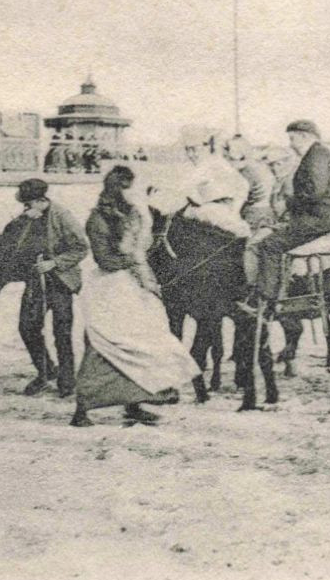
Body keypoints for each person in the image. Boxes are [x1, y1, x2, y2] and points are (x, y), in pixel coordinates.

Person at [70, 166, 201, 428]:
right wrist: (133, 260)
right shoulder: (98, 219)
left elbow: (144, 247)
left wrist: (142, 267)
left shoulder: (134, 215)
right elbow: (104, 260)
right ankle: (82, 409)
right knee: (107, 344)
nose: (137, 193)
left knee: (144, 341)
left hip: (132, 284)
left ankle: (135, 403)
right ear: (120, 189)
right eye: (132, 188)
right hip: (110, 288)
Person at [248, 120, 330, 298]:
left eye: (292, 139)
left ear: (304, 137)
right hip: (326, 215)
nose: (291, 144)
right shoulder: (318, 154)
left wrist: (287, 204)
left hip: (323, 219)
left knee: (270, 244)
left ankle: (267, 298)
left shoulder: (316, 155)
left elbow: (314, 192)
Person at [15, 179, 89, 397]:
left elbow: (81, 248)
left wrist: (54, 262)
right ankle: (45, 372)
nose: (25, 207)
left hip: (60, 281)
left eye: (29, 204)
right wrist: (22, 220)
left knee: (62, 332)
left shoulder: (62, 216)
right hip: (36, 281)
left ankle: (67, 381)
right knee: (27, 327)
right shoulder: (27, 217)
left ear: (41, 200)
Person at [176, 125, 251, 237]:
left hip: (217, 212)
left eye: (195, 149)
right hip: (214, 211)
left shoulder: (212, 164)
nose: (191, 154)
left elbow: (243, 185)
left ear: (206, 147)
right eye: (187, 150)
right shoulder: (208, 163)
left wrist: (234, 210)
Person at [225, 135, 279, 232]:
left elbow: (237, 197)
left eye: (229, 152)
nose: (227, 157)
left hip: (253, 214)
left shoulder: (246, 171)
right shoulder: (261, 165)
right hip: (268, 212)